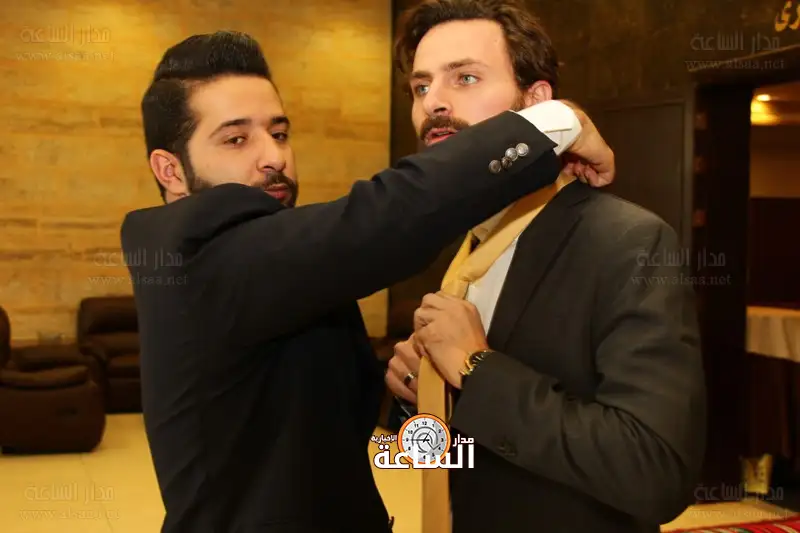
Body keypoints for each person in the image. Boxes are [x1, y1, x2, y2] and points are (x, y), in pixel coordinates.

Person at [121, 30, 614, 533]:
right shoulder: (200, 250)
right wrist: (556, 122)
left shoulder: (270, 260)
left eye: (279, 132)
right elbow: (388, 214)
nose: (273, 157)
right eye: (235, 139)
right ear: (170, 171)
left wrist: (411, 392)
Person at [384, 1, 706, 532]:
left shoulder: (627, 242)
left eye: (465, 78)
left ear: (537, 104)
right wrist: (423, 398)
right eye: (421, 87)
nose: (433, 102)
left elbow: (655, 471)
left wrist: (476, 370)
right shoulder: (454, 242)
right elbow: (462, 454)